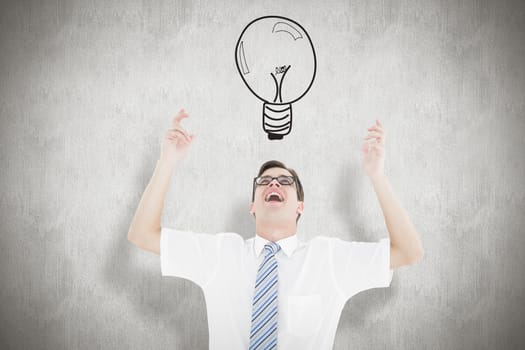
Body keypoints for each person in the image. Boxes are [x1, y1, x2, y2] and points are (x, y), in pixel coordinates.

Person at [127, 109, 424, 350]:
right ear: (253, 206)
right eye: (264, 182)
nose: (273, 184)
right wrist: (167, 162)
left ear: (300, 207)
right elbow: (142, 234)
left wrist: (377, 176)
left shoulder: (328, 258)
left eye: (285, 182)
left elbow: (408, 252)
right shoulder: (220, 253)